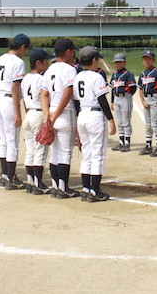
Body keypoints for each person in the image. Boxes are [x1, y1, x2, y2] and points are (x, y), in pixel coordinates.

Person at [73, 46, 117, 202]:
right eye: (97, 59)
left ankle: (86, 189)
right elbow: (102, 100)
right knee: (97, 154)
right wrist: (111, 119)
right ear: (93, 60)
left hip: (82, 115)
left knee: (87, 153)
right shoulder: (97, 76)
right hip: (95, 115)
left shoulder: (77, 76)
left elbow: (76, 102)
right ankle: (95, 191)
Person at [40, 38, 79, 198]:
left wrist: (47, 115)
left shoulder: (49, 69)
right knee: (64, 152)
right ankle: (63, 188)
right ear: (68, 52)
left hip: (51, 110)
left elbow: (43, 94)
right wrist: (56, 114)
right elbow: (67, 93)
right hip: (64, 112)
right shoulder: (70, 69)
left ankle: (56, 186)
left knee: (55, 152)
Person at [0, 34, 30, 190]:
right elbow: (15, 87)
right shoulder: (18, 62)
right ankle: (11, 177)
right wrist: (17, 112)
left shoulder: (0, 59)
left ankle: (4, 175)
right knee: (12, 142)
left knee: (4, 140)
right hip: (9, 101)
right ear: (22, 47)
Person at [21, 49, 52, 194]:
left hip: (28, 114)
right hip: (39, 114)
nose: (48, 64)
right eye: (46, 61)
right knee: (40, 150)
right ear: (38, 63)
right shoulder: (41, 79)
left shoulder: (26, 78)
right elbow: (45, 97)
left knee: (31, 150)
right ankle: (38, 184)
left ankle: (30, 182)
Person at [137, 50, 157, 157]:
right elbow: (140, 89)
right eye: (145, 59)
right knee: (148, 125)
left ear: (153, 60)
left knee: (155, 124)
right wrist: (142, 101)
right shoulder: (142, 74)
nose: (147, 61)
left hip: (155, 99)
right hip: (146, 99)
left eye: (149, 59)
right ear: (142, 61)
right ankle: (148, 146)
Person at [109, 53, 136, 152]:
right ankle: (121, 142)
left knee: (126, 121)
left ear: (124, 63)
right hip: (116, 99)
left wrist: (128, 96)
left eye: (120, 62)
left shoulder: (128, 74)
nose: (118, 64)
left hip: (125, 97)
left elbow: (133, 88)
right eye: (116, 62)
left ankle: (127, 143)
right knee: (119, 122)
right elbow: (113, 88)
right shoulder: (114, 74)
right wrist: (112, 101)